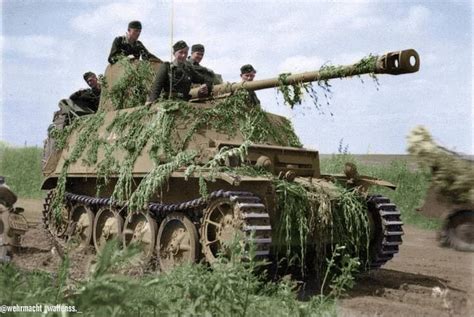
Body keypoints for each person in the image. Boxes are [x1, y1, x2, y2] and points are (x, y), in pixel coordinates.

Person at [147, 40, 213, 103]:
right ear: (174, 53)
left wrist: (206, 86)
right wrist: (151, 101)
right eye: (180, 52)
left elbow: (204, 79)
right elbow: (157, 87)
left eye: (185, 52)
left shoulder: (189, 70)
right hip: (168, 102)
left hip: (184, 103)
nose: (183, 55)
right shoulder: (166, 67)